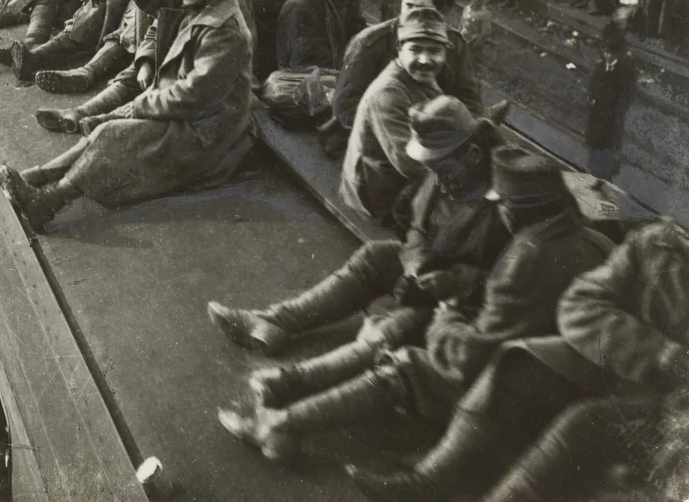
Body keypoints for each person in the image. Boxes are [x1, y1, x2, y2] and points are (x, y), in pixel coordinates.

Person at [224, 148, 614, 464]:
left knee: (406, 364)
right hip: (545, 362)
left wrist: (449, 314)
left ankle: (281, 423)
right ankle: (285, 380)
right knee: (398, 320)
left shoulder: (526, 255)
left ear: (520, 209)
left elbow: (468, 356)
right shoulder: (586, 240)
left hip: (513, 382)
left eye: (505, 205)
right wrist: (464, 285)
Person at [348, 218, 686, 502]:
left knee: (584, 421)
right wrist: (659, 352)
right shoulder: (658, 243)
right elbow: (579, 303)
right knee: (522, 362)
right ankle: (430, 481)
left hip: (674, 411)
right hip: (633, 370)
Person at [209, 95, 509, 378]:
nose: (440, 183)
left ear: (472, 155)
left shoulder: (508, 202)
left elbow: (513, 285)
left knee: (392, 327)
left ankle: (293, 383)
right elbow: (416, 222)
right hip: (434, 276)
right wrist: (415, 263)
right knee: (376, 256)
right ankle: (273, 321)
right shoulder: (447, 167)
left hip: (468, 309)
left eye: (443, 172)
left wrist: (456, 281)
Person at [0, 0, 254, 229]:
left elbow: (195, 94)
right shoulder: (204, 5)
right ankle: (35, 177)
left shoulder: (225, 32)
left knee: (114, 134)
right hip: (187, 112)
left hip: (207, 131)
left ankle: (47, 202)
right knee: (105, 130)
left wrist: (139, 105)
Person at [331, 0, 483, 133]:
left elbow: (470, 100)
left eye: (420, 9)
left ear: (440, 15)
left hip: (437, 139)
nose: (411, 14)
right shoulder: (370, 42)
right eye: (408, 6)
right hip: (378, 138)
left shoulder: (454, 44)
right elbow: (346, 106)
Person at [340, 13, 451, 229]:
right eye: (416, 49)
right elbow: (410, 163)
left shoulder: (420, 77)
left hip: (392, 176)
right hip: (375, 193)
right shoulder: (389, 93)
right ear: (400, 50)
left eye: (435, 51)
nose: (425, 60)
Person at [584, 20, 637, 181]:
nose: (606, 55)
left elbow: (627, 94)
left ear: (616, 53)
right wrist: (592, 97)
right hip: (598, 113)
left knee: (608, 147)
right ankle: (593, 172)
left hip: (611, 115)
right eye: (604, 51)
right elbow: (592, 84)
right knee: (595, 144)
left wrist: (618, 111)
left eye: (609, 53)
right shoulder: (601, 67)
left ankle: (605, 176)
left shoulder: (624, 70)